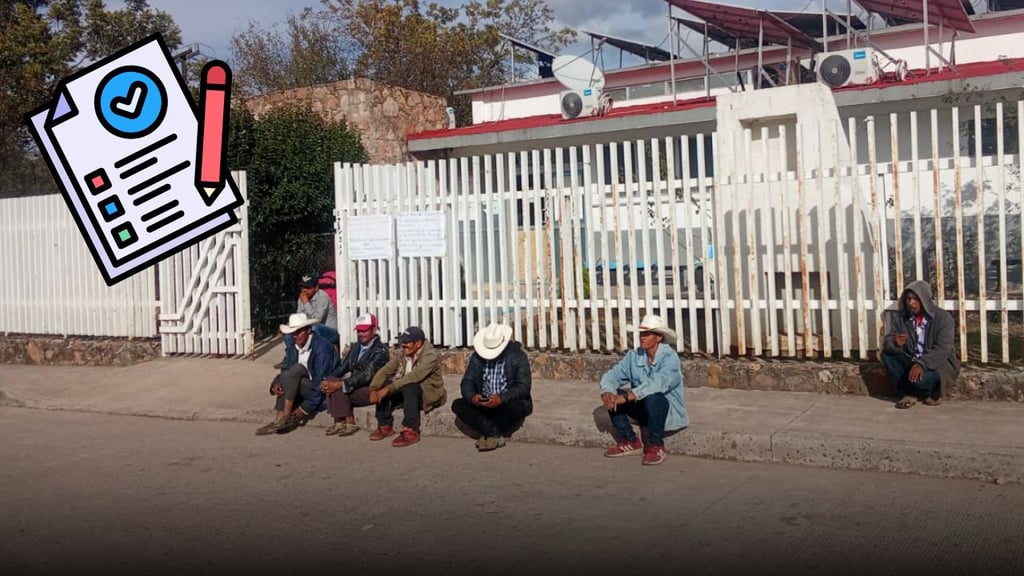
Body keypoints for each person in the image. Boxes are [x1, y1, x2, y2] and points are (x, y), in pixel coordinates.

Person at [599, 314, 688, 466]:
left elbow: (659, 383)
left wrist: (628, 396)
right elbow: (613, 374)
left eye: (648, 334)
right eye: (641, 334)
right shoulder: (634, 356)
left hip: (665, 412)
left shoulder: (670, 358)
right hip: (643, 409)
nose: (642, 337)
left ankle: (656, 445)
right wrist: (607, 391)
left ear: (659, 337)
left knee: (653, 396)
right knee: (614, 396)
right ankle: (630, 440)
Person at [451, 323, 533, 452]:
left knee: (515, 408)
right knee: (457, 404)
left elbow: (523, 387)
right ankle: (494, 433)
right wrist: (472, 397)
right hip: (485, 401)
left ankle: (489, 432)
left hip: (508, 402)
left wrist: (501, 398)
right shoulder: (477, 357)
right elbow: (467, 381)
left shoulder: (518, 356)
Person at [256, 313, 340, 436]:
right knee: (287, 374)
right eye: (293, 333)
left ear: (308, 330)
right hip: (301, 387)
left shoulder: (322, 348)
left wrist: (303, 409)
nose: (295, 336)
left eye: (299, 332)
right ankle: (280, 418)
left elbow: (320, 382)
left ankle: (286, 416)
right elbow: (286, 369)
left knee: (296, 369)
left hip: (322, 393)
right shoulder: (293, 347)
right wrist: (276, 383)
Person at [881, 279, 960, 409]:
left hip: (936, 366)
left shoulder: (943, 318)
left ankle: (932, 392)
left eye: (915, 299)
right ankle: (908, 394)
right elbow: (888, 340)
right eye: (908, 299)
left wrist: (922, 364)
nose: (911, 303)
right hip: (911, 360)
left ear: (924, 299)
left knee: (920, 382)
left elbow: (943, 349)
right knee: (887, 356)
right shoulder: (902, 318)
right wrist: (895, 342)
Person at [367, 326, 447, 447]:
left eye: (406, 343)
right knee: (383, 385)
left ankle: (411, 430)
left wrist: (388, 389)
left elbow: (415, 376)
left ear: (418, 343)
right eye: (402, 343)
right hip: (407, 392)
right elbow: (385, 371)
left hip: (428, 393)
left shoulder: (430, 356)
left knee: (410, 386)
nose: (403, 346)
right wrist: (374, 389)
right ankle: (384, 425)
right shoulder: (402, 353)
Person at [320, 313, 389, 436]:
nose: (361, 334)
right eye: (359, 331)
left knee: (341, 388)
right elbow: (343, 367)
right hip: (357, 385)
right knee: (332, 381)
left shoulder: (380, 351)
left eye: (364, 331)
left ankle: (348, 421)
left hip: (372, 387)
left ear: (373, 329)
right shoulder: (356, 347)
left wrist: (342, 383)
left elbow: (367, 375)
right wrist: (326, 380)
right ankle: (340, 422)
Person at [281, 275, 339, 359]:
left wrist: (306, 303)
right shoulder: (302, 296)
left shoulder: (323, 297)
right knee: (289, 334)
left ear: (316, 287)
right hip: (310, 328)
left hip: (329, 331)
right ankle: (292, 357)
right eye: (303, 287)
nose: (304, 290)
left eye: (308, 288)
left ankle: (314, 356)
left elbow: (317, 320)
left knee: (314, 329)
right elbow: (299, 317)